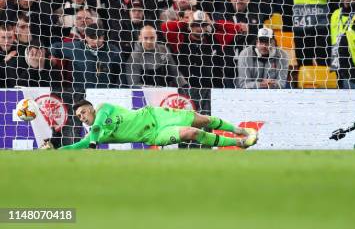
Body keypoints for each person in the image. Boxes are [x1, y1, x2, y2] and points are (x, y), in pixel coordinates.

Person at [41, 99, 258, 149]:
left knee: (203, 120)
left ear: (92, 108)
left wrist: (93, 143)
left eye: (83, 112)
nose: (82, 117)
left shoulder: (104, 108)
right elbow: (74, 147)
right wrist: (56, 150)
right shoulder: (95, 136)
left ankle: (239, 129)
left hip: (156, 116)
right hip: (153, 136)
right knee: (192, 132)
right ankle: (239, 143)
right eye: (78, 116)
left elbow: (96, 127)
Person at [50, 24, 123, 92]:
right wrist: (51, 55)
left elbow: (120, 74)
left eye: (99, 37)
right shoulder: (75, 48)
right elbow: (54, 47)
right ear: (86, 37)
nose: (96, 41)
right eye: (93, 37)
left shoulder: (113, 51)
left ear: (103, 36)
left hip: (104, 93)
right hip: (80, 93)